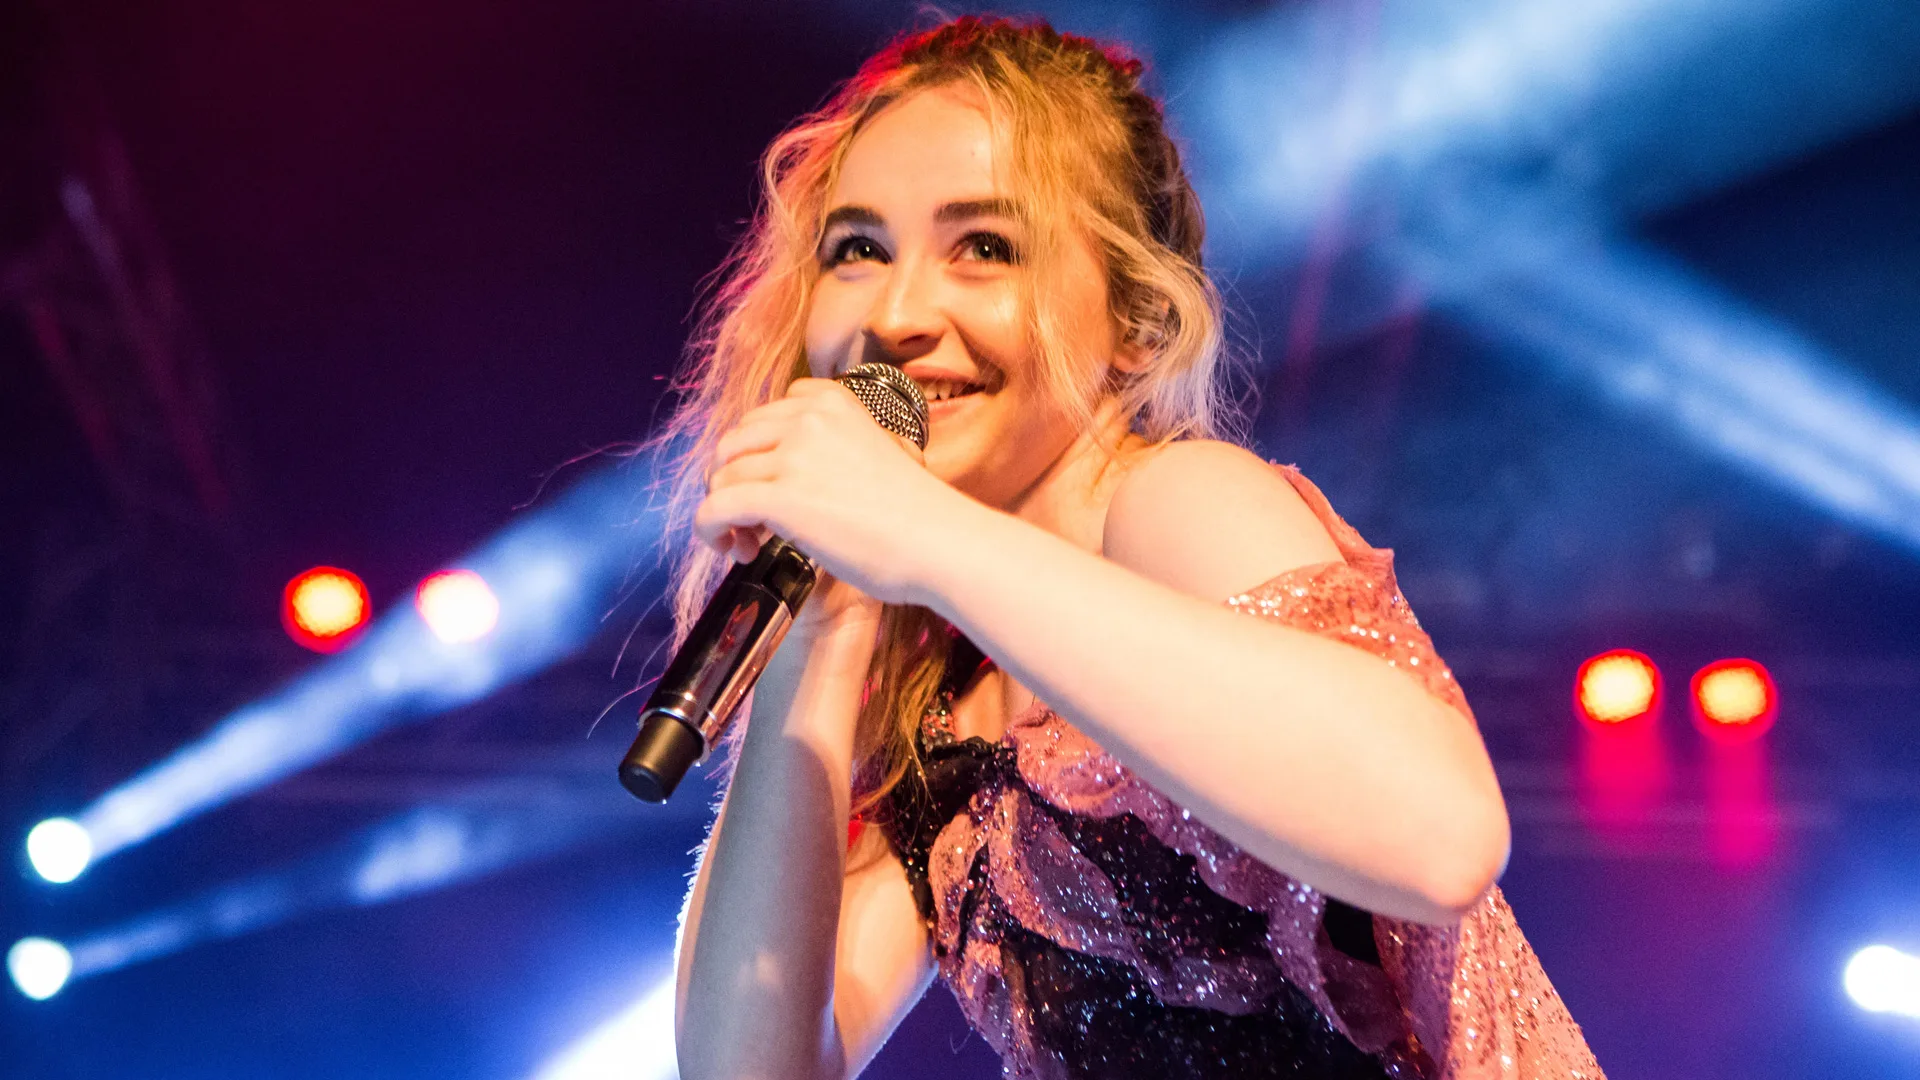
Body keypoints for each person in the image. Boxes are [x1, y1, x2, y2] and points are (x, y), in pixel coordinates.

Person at [666, 16, 1603, 1080]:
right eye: (858, 251)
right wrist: (819, 632)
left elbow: (1440, 841)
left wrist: (920, 533)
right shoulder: (932, 711)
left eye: (985, 248)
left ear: (1138, 325)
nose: (899, 312)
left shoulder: (1172, 504)